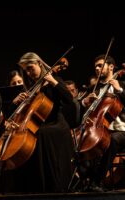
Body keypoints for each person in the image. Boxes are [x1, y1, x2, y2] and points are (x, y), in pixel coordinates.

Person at [6, 52, 74, 193]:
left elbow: (69, 99)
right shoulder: (32, 87)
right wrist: (15, 103)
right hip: (40, 124)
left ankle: (50, 186)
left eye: (31, 68)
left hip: (56, 125)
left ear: (40, 64)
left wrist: (53, 81)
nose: (29, 72)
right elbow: (18, 113)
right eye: (26, 70)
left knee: (41, 134)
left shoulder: (55, 80)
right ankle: (27, 187)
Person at [78, 54, 125, 192]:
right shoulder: (94, 88)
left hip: (123, 132)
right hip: (100, 128)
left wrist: (120, 90)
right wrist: (85, 103)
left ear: (111, 67)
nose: (97, 68)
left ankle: (97, 181)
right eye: (95, 66)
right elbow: (84, 110)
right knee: (80, 141)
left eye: (100, 65)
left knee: (110, 140)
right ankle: (85, 180)